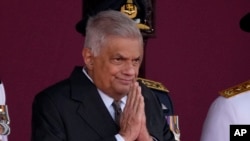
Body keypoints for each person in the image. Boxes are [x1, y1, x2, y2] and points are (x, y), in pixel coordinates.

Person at [31, 10, 175, 141]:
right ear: (89, 58)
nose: (130, 71)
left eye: (135, 61)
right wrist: (123, 138)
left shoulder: (147, 97)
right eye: (118, 60)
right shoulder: (54, 104)